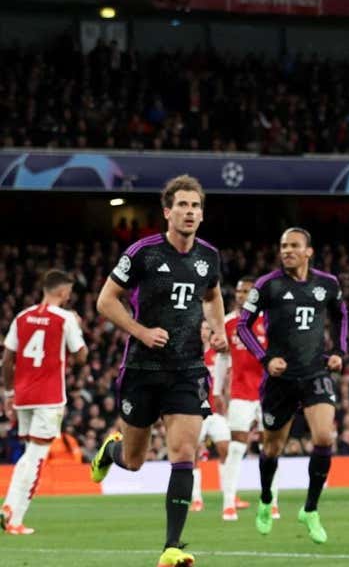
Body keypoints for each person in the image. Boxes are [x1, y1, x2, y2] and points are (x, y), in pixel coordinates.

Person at [91, 175, 228, 567]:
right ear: (167, 212)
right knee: (133, 461)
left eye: (196, 206)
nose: (189, 212)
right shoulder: (143, 253)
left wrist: (217, 331)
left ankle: (171, 547)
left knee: (184, 452)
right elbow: (105, 300)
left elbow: (213, 295)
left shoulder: (209, 257)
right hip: (142, 368)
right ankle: (109, 450)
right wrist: (141, 331)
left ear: (202, 214)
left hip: (187, 369)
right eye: (182, 205)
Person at [237, 227, 347, 544]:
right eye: (283, 245)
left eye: (294, 245)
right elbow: (244, 325)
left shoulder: (327, 284)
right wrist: (264, 358)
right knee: (272, 447)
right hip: (279, 379)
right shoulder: (267, 285)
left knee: (325, 437)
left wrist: (338, 351)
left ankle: (310, 509)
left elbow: (341, 314)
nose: (287, 250)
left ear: (308, 251)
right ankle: (265, 498)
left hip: (314, 372)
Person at [1, 269, 88, 535]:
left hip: (23, 395)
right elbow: (81, 356)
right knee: (37, 457)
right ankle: (15, 519)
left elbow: (7, 359)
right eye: (69, 292)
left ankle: (8, 508)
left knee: (29, 452)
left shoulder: (22, 317)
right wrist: (79, 329)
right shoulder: (65, 319)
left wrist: (7, 394)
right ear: (63, 292)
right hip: (49, 396)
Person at [222, 277, 274, 521]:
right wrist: (216, 392)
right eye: (239, 291)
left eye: (246, 291)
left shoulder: (270, 321)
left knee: (270, 448)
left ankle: (271, 501)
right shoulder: (228, 323)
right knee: (236, 447)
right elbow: (220, 355)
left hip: (267, 394)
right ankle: (228, 503)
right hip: (240, 394)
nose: (241, 294)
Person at [190, 322, 232, 516]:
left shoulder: (219, 354)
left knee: (226, 450)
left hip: (216, 411)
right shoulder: (190, 353)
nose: (204, 331)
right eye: (202, 328)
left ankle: (229, 496)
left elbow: (228, 377)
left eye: (208, 328)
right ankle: (197, 499)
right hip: (195, 411)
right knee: (193, 455)